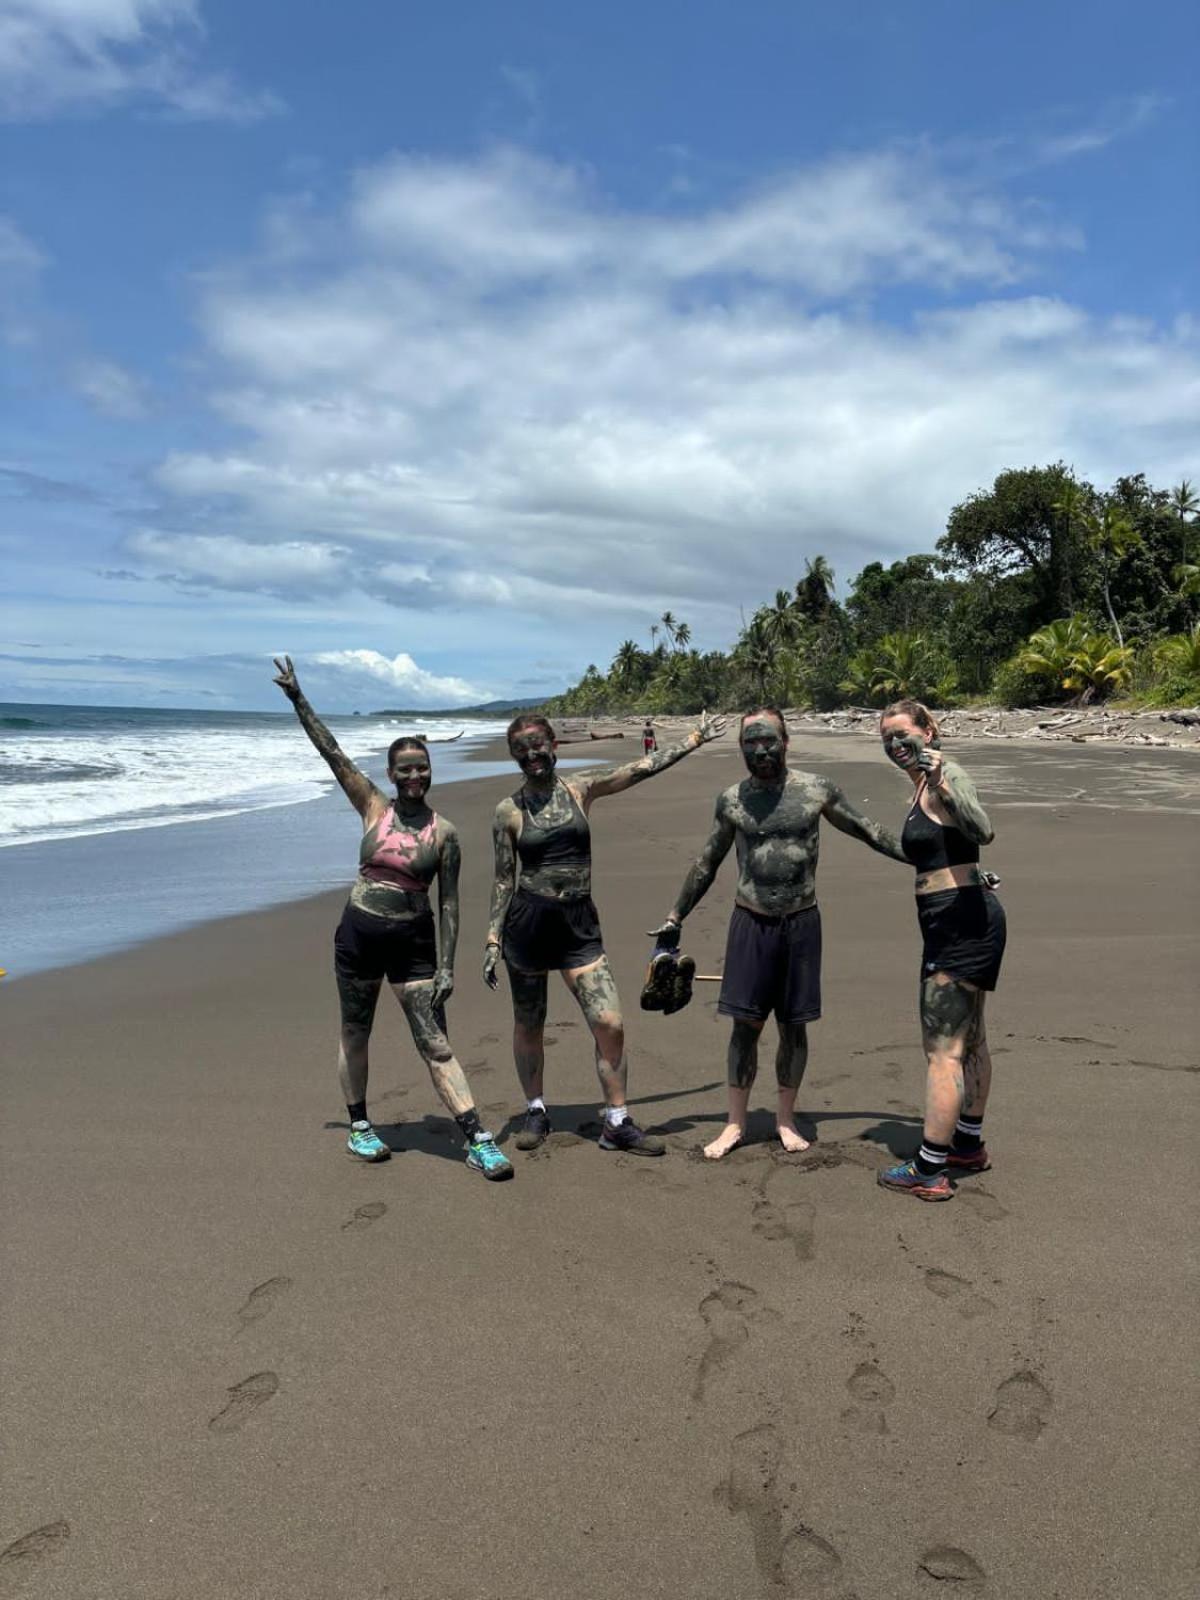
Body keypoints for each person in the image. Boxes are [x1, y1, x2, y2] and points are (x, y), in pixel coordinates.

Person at [272, 657, 512, 1180]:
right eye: (404, 768)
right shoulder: (372, 807)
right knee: (355, 1031)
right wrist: (298, 700)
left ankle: (477, 1136)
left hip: (414, 945)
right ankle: (359, 1127)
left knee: (435, 1042)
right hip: (358, 936)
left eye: (421, 767)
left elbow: (449, 905)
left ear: (430, 771)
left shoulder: (445, 834)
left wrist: (447, 967)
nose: (414, 775)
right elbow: (331, 753)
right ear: (390, 774)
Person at [650, 708, 909, 1160]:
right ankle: (735, 1124)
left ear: (786, 741)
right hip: (751, 922)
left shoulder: (815, 791)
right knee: (744, 1027)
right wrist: (676, 916)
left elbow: (868, 830)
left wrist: (929, 857)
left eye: (768, 740)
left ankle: (785, 1119)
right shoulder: (731, 800)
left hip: (801, 923)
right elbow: (707, 862)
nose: (760, 749)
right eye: (750, 742)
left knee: (793, 1027)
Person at [485, 709, 725, 1154]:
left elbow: (639, 769)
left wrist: (693, 739)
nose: (532, 754)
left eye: (538, 744)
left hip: (578, 925)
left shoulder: (581, 789)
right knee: (529, 1023)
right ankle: (535, 1109)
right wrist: (493, 938)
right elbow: (503, 879)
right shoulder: (508, 811)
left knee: (610, 1022)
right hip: (528, 927)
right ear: (514, 756)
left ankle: (616, 1122)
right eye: (522, 749)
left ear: (553, 745)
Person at [875, 699, 1005, 1200]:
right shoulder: (921, 787)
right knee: (972, 1038)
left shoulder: (947, 773)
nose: (895, 744)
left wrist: (946, 783)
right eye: (887, 738)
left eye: (903, 734)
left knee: (943, 1050)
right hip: (959, 918)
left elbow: (982, 828)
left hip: (960, 924)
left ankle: (929, 1167)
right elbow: (947, 850)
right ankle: (967, 1145)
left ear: (928, 731)